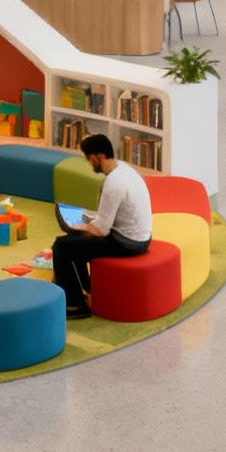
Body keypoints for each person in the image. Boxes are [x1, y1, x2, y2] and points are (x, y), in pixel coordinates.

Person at [52, 135, 152, 319]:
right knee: (75, 243)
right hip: (141, 236)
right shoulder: (124, 169)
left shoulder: (113, 183)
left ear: (98, 156)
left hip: (128, 242)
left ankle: (75, 306)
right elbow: (113, 216)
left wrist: (78, 227)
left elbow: (101, 230)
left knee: (61, 245)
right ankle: (87, 289)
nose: (89, 163)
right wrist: (90, 221)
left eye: (89, 158)